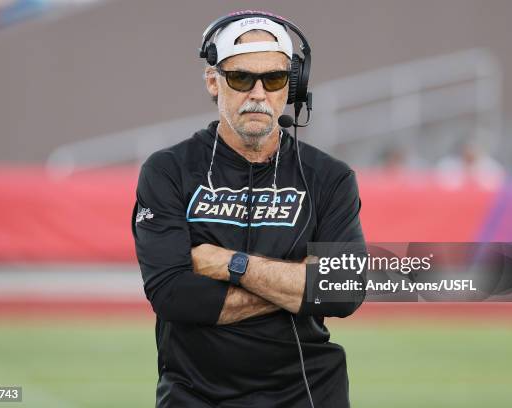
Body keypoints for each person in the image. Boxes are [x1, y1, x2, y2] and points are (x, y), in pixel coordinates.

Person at [132, 11, 366, 407]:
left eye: (273, 79)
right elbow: (173, 295)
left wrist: (229, 264)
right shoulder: (169, 170)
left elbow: (343, 291)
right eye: (241, 78)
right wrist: (297, 284)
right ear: (213, 81)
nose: (258, 94)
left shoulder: (330, 176)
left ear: (291, 87)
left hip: (307, 391)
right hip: (193, 395)